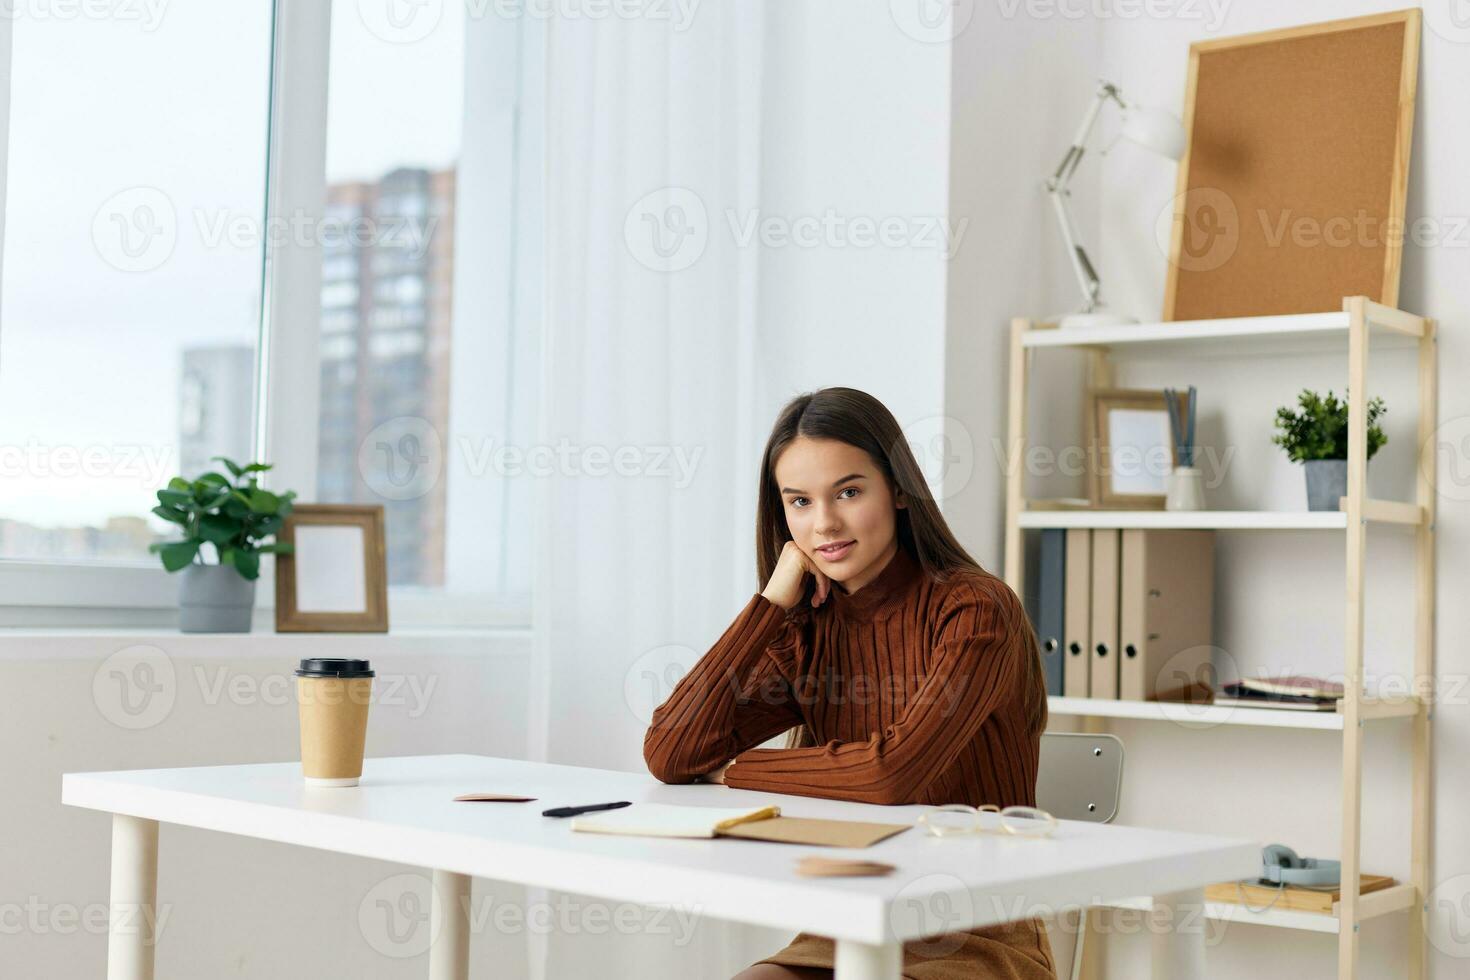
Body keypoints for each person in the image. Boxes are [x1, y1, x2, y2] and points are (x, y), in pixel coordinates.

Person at [643, 387, 1057, 979]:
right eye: (800, 502)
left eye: (848, 492)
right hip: (844, 924)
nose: (825, 523)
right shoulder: (809, 630)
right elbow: (671, 751)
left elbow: (891, 774)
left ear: (899, 490)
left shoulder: (975, 609)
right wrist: (770, 603)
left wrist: (733, 772)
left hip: (975, 929)